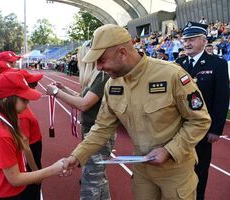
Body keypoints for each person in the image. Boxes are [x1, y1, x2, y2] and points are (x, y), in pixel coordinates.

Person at [62, 24, 211, 200]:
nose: (99, 67)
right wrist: (77, 156)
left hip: (176, 171)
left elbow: (200, 120)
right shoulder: (112, 84)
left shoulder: (171, 75)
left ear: (123, 53)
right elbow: (102, 128)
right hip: (142, 171)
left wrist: (169, 150)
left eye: (102, 60)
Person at [47, 41, 114, 200]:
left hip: (98, 136)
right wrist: (64, 89)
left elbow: (84, 104)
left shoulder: (102, 77)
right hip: (94, 133)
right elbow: (83, 98)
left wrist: (56, 92)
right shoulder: (97, 77)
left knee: (90, 183)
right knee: (98, 179)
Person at [0, 71, 64, 199]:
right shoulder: (2, 135)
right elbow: (15, 179)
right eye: (23, 98)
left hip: (9, 191)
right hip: (5, 194)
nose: (28, 102)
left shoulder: (9, 120)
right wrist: (53, 169)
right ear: (7, 100)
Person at [175, 21, 229, 200]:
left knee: (200, 168)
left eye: (192, 39)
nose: (187, 43)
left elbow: (222, 98)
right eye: (185, 40)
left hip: (202, 129)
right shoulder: (179, 63)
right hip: (178, 128)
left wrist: (216, 129)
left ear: (204, 41)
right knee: (178, 167)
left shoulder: (217, 64)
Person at [18, 71, 44, 200]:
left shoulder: (23, 108)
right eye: (32, 83)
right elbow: (25, 146)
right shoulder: (21, 114)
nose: (36, 84)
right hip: (31, 149)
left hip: (34, 146)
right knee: (32, 189)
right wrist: (36, 172)